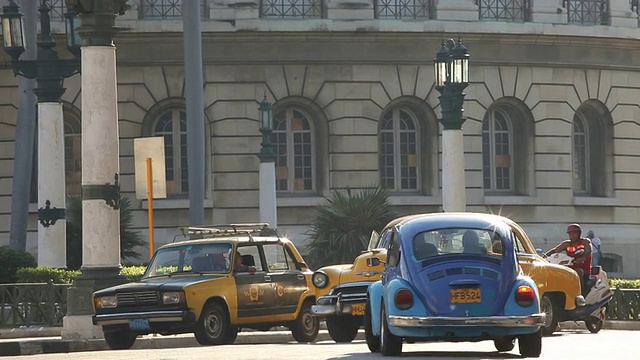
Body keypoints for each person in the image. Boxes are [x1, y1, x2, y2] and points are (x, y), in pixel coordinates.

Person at [545, 223, 592, 292]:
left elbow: (588, 250)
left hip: (583, 269)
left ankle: (580, 293)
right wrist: (544, 256)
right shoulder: (567, 244)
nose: (572, 236)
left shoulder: (585, 242)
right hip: (569, 267)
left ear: (579, 233)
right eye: (570, 234)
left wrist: (583, 258)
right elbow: (555, 250)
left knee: (578, 271)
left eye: (574, 233)